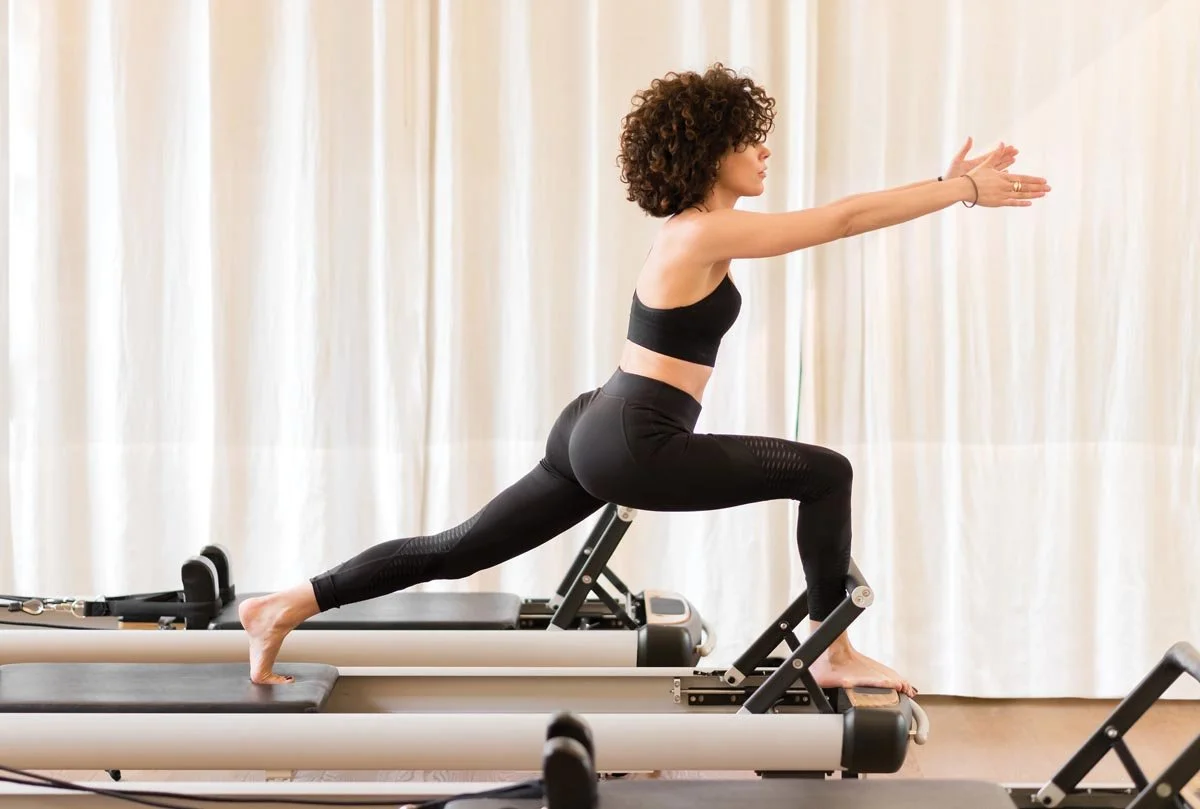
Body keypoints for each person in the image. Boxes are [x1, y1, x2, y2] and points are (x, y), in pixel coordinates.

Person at [239, 63, 1050, 690]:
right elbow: (839, 220)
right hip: (636, 438)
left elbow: (844, 215)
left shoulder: (695, 234)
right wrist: (960, 191)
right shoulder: (699, 236)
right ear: (709, 149)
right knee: (826, 473)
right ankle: (833, 649)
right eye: (748, 137)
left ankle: (285, 603)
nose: (765, 149)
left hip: (597, 421)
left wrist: (948, 185)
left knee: (460, 547)